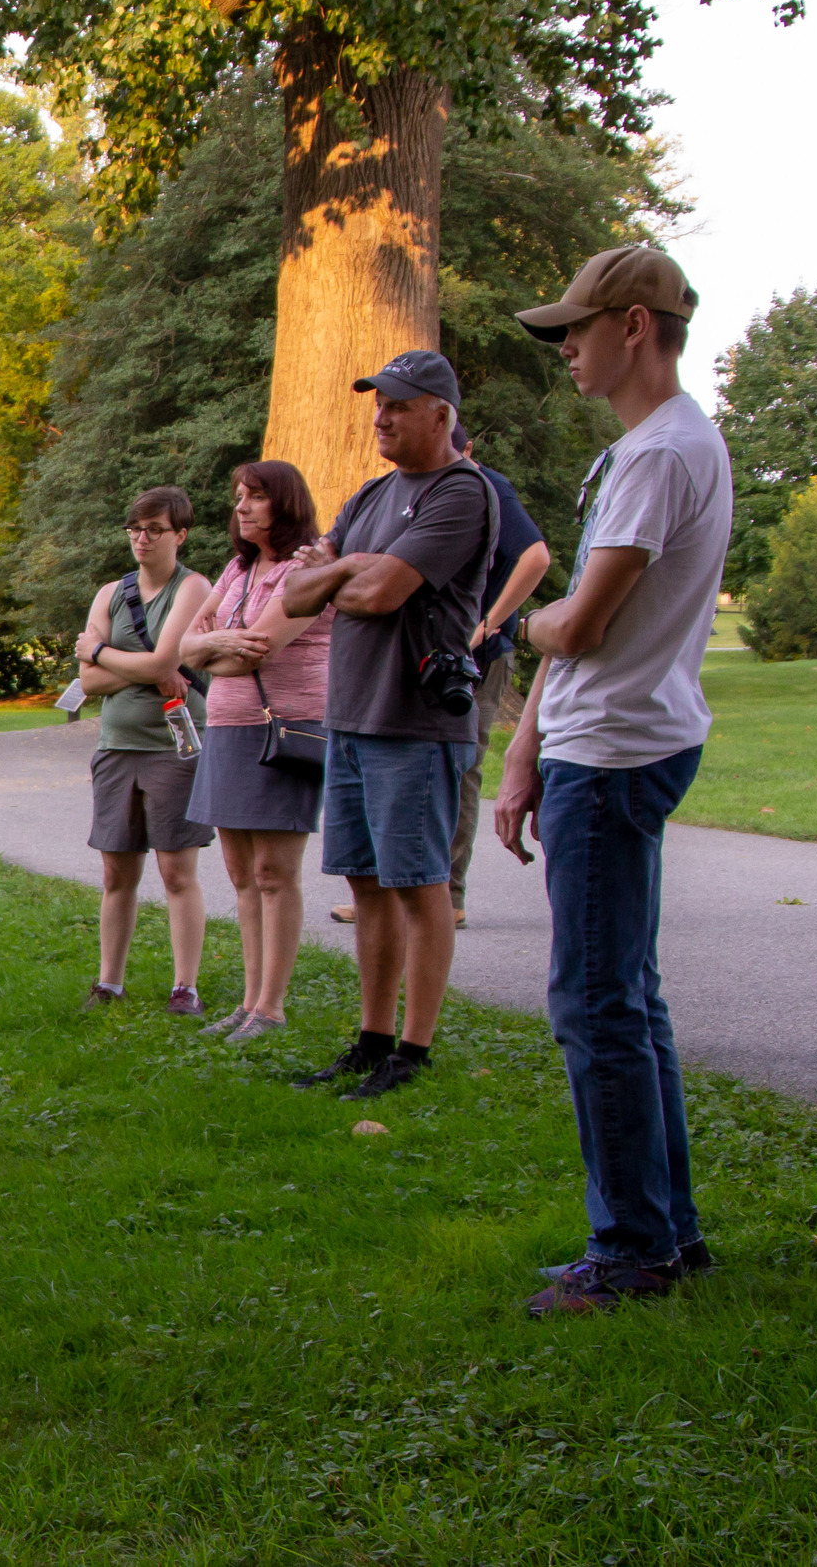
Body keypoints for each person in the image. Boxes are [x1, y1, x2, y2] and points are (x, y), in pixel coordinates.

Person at [494, 246, 728, 1315]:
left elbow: (579, 625)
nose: (567, 351)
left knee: (595, 1004)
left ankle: (630, 1248)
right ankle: (666, 1234)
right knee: (629, 998)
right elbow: (592, 634)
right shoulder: (671, 444)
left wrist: (511, 626)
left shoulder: (658, 455)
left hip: (615, 753)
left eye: (577, 331)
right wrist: (523, 745)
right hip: (614, 740)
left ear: (635, 326)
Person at [282, 350, 499, 1100]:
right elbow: (297, 595)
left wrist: (342, 569)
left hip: (413, 722)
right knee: (366, 883)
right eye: (378, 403)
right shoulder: (372, 494)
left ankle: (414, 1047)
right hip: (350, 715)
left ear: (440, 413)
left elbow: (377, 594)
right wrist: (347, 569)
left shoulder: (460, 493)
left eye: (398, 405)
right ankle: (372, 1036)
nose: (381, 416)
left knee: (419, 882)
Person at [330, 422, 549, 928]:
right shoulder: (390, 492)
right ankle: (386, 888)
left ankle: (447, 894)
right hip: (407, 657)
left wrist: (489, 622)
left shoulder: (483, 485)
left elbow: (536, 556)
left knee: (457, 769)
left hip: (468, 659)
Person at [179, 462, 333, 1043]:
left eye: (257, 498)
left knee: (274, 872)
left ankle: (273, 1006)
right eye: (239, 496)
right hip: (227, 725)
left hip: (283, 730)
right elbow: (187, 646)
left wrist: (209, 649)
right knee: (242, 872)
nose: (242, 507)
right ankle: (249, 1003)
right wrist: (215, 643)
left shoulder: (306, 571)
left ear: (285, 504)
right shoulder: (238, 568)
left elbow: (258, 652)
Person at [76, 487, 214, 1016]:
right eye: (135, 528)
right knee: (116, 872)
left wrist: (104, 653)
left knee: (177, 871)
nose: (142, 538)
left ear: (180, 534)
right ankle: (109, 983)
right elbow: (87, 680)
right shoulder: (111, 592)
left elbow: (162, 665)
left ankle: (186, 988)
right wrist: (136, 666)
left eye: (155, 529)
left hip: (171, 748)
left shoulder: (193, 587)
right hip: (117, 747)